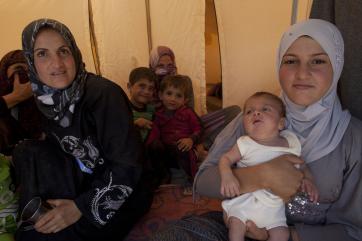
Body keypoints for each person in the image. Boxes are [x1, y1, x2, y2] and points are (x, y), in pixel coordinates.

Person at [151, 19, 362, 241]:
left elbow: (352, 231)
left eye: (318, 61)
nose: (302, 73)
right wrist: (261, 175)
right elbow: (203, 181)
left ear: (337, 67)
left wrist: (285, 235)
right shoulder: (255, 116)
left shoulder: (353, 139)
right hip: (238, 223)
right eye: (290, 61)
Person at [13, 18, 153, 241]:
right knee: (26, 150)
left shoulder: (104, 95)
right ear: (31, 61)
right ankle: (33, 214)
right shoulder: (46, 98)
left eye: (63, 51)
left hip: (122, 190)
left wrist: (80, 208)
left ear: (74, 53)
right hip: (82, 176)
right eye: (42, 54)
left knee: (41, 239)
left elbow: (127, 166)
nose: (57, 63)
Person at [219, 92, 318, 241]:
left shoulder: (290, 143)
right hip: (246, 203)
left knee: (282, 234)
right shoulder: (245, 143)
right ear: (244, 124)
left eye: (265, 109)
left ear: (281, 123)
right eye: (249, 112)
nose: (256, 113)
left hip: (273, 209)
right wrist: (227, 175)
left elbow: (302, 166)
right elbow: (225, 159)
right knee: (236, 225)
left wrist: (308, 180)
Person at [146, 75, 202, 185]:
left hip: (183, 148)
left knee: (183, 149)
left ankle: (191, 178)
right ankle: (164, 174)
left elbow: (199, 129)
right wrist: (148, 147)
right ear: (161, 95)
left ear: (185, 100)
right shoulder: (158, 114)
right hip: (166, 151)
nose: (173, 99)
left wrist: (191, 139)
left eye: (178, 96)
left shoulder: (188, 112)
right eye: (169, 94)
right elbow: (154, 133)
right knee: (154, 145)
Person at [0, 50, 43, 155]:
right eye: (19, 69)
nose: (25, 74)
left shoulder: (43, 103)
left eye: (31, 71)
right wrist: (17, 96)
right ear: (4, 72)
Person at [127, 67, 157, 142]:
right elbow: (118, 132)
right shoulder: (123, 109)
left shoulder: (152, 110)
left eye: (150, 88)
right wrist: (135, 124)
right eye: (142, 86)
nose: (146, 91)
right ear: (129, 86)